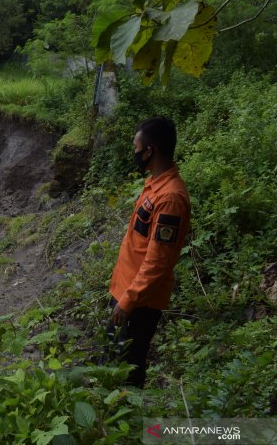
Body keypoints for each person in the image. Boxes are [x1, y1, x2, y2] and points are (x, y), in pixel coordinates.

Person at [106, 116, 191, 388]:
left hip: (138, 302)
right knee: (111, 361)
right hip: (125, 292)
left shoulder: (170, 198)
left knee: (128, 371)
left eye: (136, 148)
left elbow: (159, 261)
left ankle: (130, 426)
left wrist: (128, 300)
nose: (134, 153)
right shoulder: (154, 184)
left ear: (150, 150)